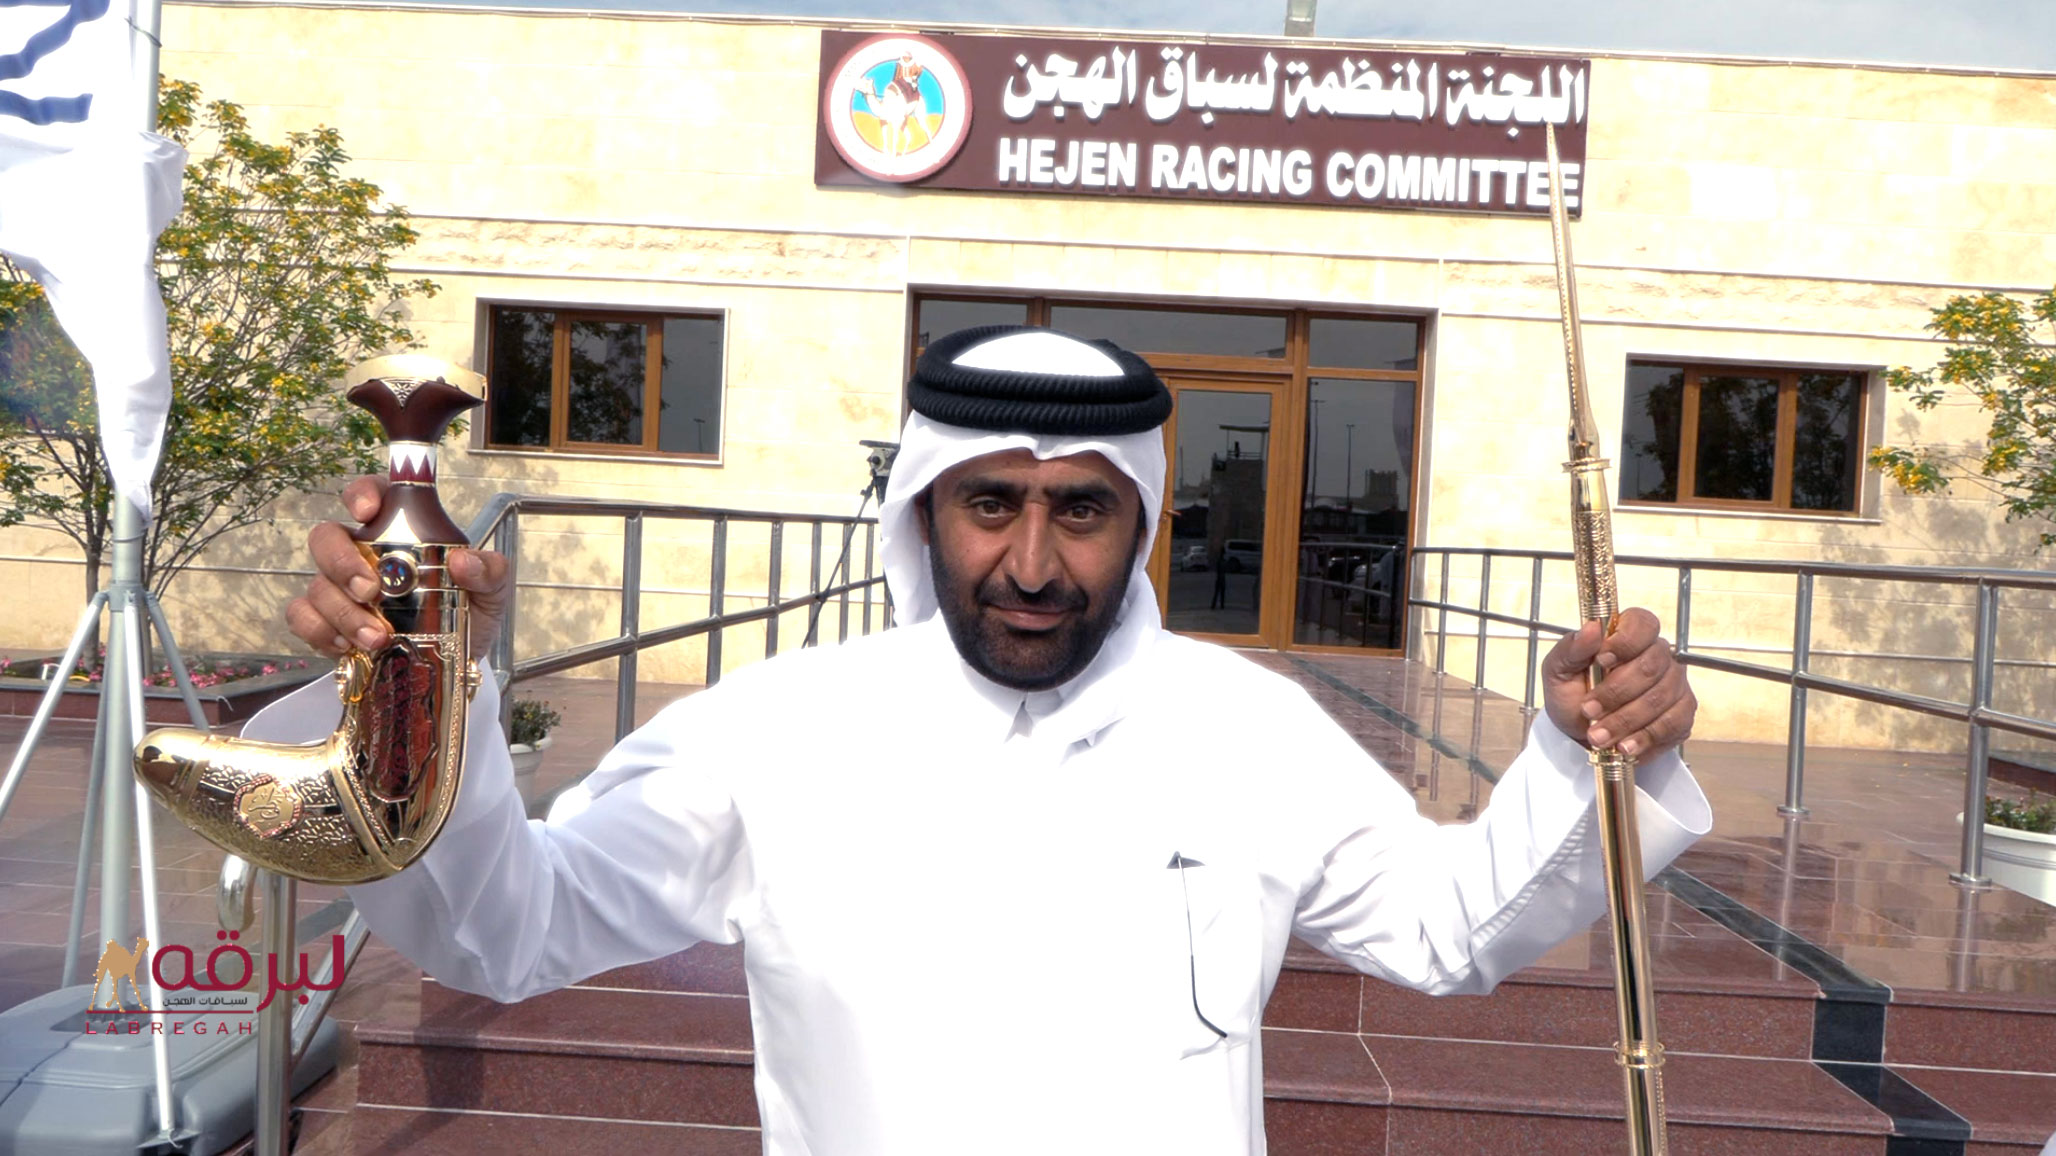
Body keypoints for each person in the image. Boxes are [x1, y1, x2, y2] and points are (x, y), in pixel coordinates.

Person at [249, 326, 1709, 1155]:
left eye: (1081, 512)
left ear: (1142, 521)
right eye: (990, 505)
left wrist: (1592, 753)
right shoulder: (780, 730)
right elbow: (506, 928)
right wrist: (409, 695)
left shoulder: (1246, 728)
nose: (1031, 563)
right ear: (925, 512)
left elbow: (1454, 929)